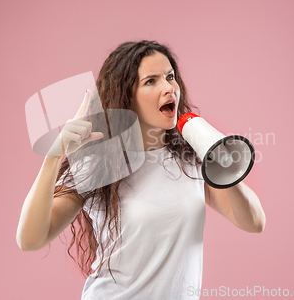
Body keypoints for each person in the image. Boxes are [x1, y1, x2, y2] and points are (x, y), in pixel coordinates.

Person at [16, 40, 266, 299]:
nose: (169, 88)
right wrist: (54, 156)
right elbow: (30, 240)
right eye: (151, 81)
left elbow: (254, 222)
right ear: (127, 97)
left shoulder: (192, 161)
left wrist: (220, 160)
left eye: (170, 77)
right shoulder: (98, 165)